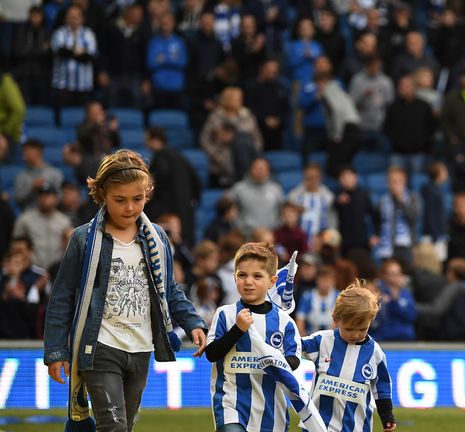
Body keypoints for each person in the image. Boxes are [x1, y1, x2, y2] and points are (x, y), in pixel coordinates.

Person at [43, 149, 208, 431]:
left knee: (124, 427)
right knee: (114, 426)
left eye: (138, 199)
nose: (130, 208)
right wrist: (56, 351)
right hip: (99, 347)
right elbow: (61, 298)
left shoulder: (158, 237)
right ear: (102, 195)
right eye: (120, 200)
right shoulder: (83, 239)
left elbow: (169, 289)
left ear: (147, 194)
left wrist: (192, 322)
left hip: (141, 348)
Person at [204, 242, 325, 432]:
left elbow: (294, 359)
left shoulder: (285, 322)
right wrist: (238, 329)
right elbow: (211, 354)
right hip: (231, 404)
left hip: (271, 410)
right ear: (235, 277)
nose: (248, 281)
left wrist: (273, 361)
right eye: (242, 275)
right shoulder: (225, 314)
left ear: (272, 281)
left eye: (257, 276)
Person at [301, 280, 396, 432]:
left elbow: (382, 388)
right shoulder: (323, 340)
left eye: (362, 328)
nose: (356, 334)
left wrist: (387, 416)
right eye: (350, 329)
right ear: (336, 320)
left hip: (356, 427)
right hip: (318, 426)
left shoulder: (375, 352)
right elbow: (295, 345)